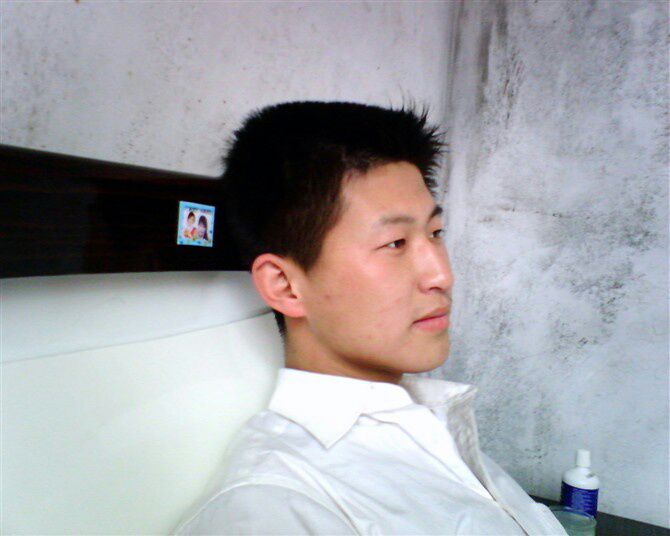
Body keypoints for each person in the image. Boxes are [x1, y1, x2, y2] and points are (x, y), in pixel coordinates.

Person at [173, 101, 566, 535]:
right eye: (395, 243)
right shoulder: (277, 509)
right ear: (286, 286)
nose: (442, 275)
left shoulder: (436, 428)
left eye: (436, 233)